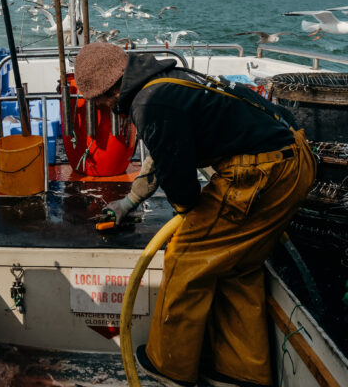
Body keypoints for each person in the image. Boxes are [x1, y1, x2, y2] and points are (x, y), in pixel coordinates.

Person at [74, 42, 316, 387]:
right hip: (294, 161)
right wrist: (129, 201)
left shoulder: (149, 102)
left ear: (109, 91)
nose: (102, 108)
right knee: (237, 266)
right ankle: (243, 372)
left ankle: (169, 367)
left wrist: (190, 217)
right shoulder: (168, 81)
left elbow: (182, 184)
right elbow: (168, 149)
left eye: (98, 101)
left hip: (261, 173)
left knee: (187, 256)